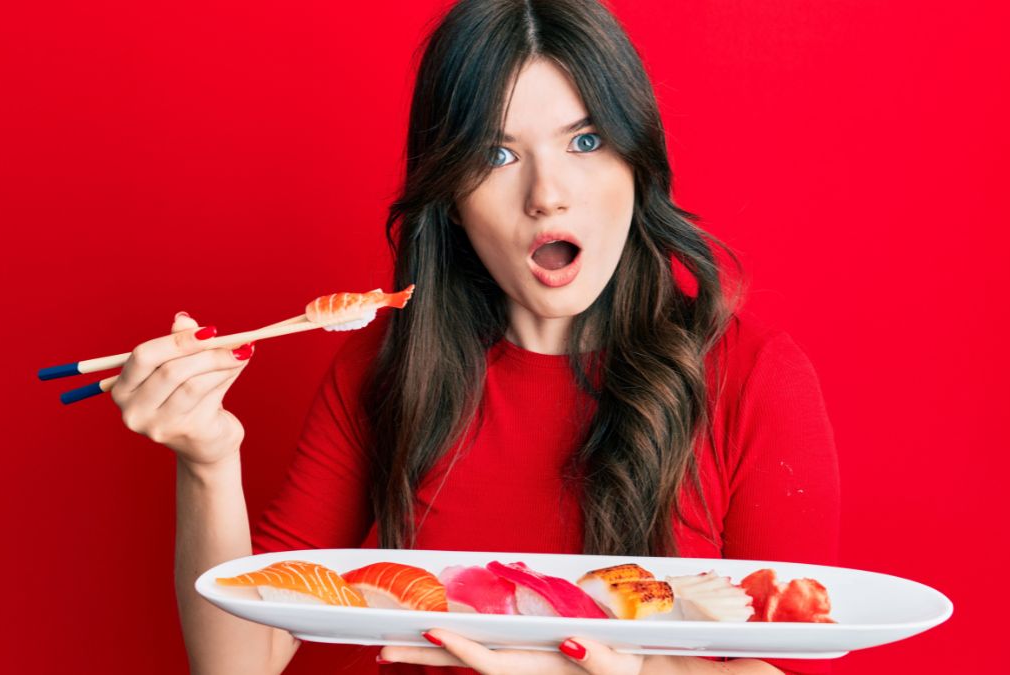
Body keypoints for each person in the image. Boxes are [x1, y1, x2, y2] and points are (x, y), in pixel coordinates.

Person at [111, 1, 840, 674]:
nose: (547, 192)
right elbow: (240, 658)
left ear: (637, 161)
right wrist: (206, 461)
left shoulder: (754, 378)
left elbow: (787, 656)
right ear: (451, 199)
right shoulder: (387, 368)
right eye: (497, 155)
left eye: (585, 140)